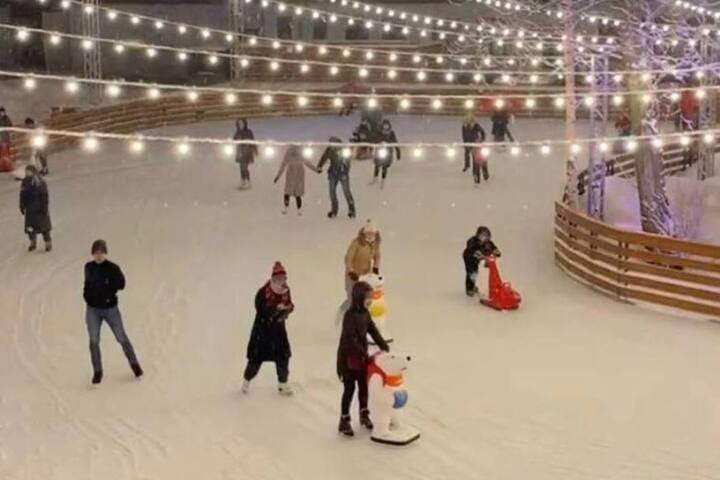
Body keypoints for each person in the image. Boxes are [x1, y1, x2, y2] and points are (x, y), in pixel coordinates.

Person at [83, 239, 143, 384]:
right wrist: (87, 296)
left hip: (110, 309)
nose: (98, 256)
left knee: (121, 337)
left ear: (105, 253)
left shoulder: (113, 268)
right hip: (93, 310)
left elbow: (122, 284)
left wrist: (109, 287)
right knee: (93, 340)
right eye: (96, 253)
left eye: (101, 253)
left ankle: (134, 364)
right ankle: (97, 371)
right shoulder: (89, 267)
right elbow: (87, 284)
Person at [337, 281, 390, 437]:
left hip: (361, 358)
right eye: (368, 297)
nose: (370, 300)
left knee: (364, 388)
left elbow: (372, 330)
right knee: (349, 389)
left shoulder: (365, 314)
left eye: (371, 297)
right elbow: (350, 339)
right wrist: (363, 353)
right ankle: (344, 419)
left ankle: (364, 413)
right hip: (348, 358)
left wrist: (383, 344)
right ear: (359, 297)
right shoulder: (349, 316)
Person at [242, 262, 295, 396]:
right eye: (279, 278)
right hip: (263, 332)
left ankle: (283, 384)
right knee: (255, 359)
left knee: (283, 357)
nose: (282, 281)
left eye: (284, 278)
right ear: (273, 279)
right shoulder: (263, 292)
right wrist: (275, 310)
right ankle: (246, 381)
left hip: (279, 331)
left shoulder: (286, 291)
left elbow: (290, 305)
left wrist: (287, 309)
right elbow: (261, 310)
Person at [274, 145, 319, 215]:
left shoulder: (299, 152)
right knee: (289, 192)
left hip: (298, 175)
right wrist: (277, 176)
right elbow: (283, 165)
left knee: (297, 193)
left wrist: (315, 170)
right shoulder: (289, 152)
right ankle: (287, 207)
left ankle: (298, 209)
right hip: (291, 175)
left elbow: (307, 163)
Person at [317, 136, 356, 219]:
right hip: (333, 174)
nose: (332, 146)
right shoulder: (329, 149)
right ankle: (334, 210)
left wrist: (345, 170)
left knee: (346, 192)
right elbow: (324, 158)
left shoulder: (344, 150)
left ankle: (351, 210)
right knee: (332, 193)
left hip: (343, 174)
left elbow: (348, 162)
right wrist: (319, 166)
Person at [344, 220, 381, 306]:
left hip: (365, 274)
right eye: (368, 234)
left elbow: (377, 256)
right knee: (352, 295)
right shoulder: (356, 243)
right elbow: (348, 258)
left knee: (365, 296)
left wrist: (375, 267)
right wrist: (351, 272)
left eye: (372, 234)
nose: (370, 236)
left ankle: (365, 312)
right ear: (364, 233)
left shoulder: (375, 244)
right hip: (353, 275)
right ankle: (349, 310)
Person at [19, 165, 52, 252]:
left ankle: (48, 243)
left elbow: (44, 196)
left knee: (44, 228)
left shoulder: (40, 182)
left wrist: (44, 207)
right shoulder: (24, 182)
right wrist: (22, 205)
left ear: (33, 172)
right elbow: (22, 195)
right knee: (30, 228)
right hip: (30, 209)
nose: (27, 173)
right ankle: (33, 243)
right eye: (26, 171)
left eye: (28, 171)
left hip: (39, 209)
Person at [462, 226, 501, 297]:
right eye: (483, 235)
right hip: (469, 258)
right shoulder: (473, 241)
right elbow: (471, 248)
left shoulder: (488, 243)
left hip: (478, 259)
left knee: (476, 272)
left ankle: (473, 285)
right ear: (478, 235)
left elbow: (493, 248)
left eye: (487, 235)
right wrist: (478, 254)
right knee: (471, 273)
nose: (485, 237)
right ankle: (469, 289)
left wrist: (496, 251)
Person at [370, 120, 401, 188]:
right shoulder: (379, 133)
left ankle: (383, 181)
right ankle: (375, 178)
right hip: (379, 151)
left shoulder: (391, 133)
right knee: (377, 165)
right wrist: (378, 143)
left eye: (387, 126)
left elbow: (395, 142)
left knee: (384, 167)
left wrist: (398, 152)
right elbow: (374, 140)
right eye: (384, 126)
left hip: (388, 152)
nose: (385, 127)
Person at [233, 118, 258, 189]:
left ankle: (248, 181)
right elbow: (234, 139)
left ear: (244, 124)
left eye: (242, 124)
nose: (241, 125)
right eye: (239, 124)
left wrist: (255, 150)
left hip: (247, 152)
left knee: (244, 167)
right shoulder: (237, 132)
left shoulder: (248, 132)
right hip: (240, 152)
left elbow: (253, 141)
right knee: (241, 168)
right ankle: (243, 181)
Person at [0, 106, 13, 172]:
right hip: (0, 138)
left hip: (5, 138)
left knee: (6, 153)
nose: (2, 113)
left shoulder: (7, 119)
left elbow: (10, 126)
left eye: (3, 112)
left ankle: (7, 167)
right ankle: (1, 167)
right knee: (1, 154)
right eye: (1, 112)